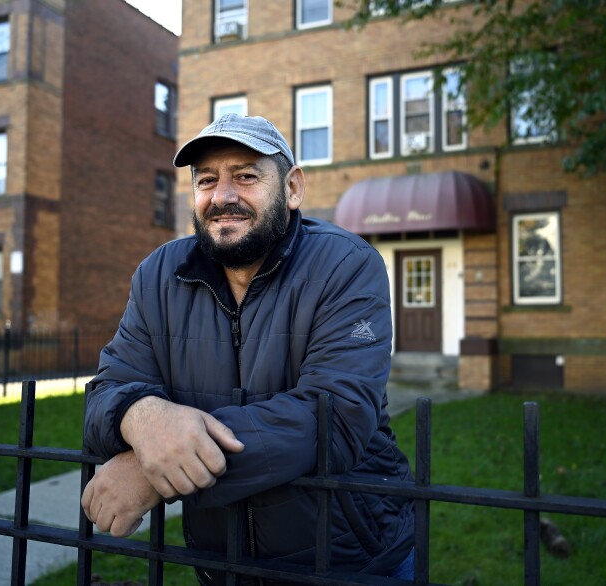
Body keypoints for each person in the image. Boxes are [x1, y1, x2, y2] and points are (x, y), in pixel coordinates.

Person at [81, 113, 415, 584]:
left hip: (351, 560)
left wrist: (151, 467)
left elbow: (334, 416)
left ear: (293, 188)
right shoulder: (158, 275)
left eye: (246, 176)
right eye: (207, 180)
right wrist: (139, 416)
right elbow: (107, 391)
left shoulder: (347, 264)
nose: (223, 196)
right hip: (222, 564)